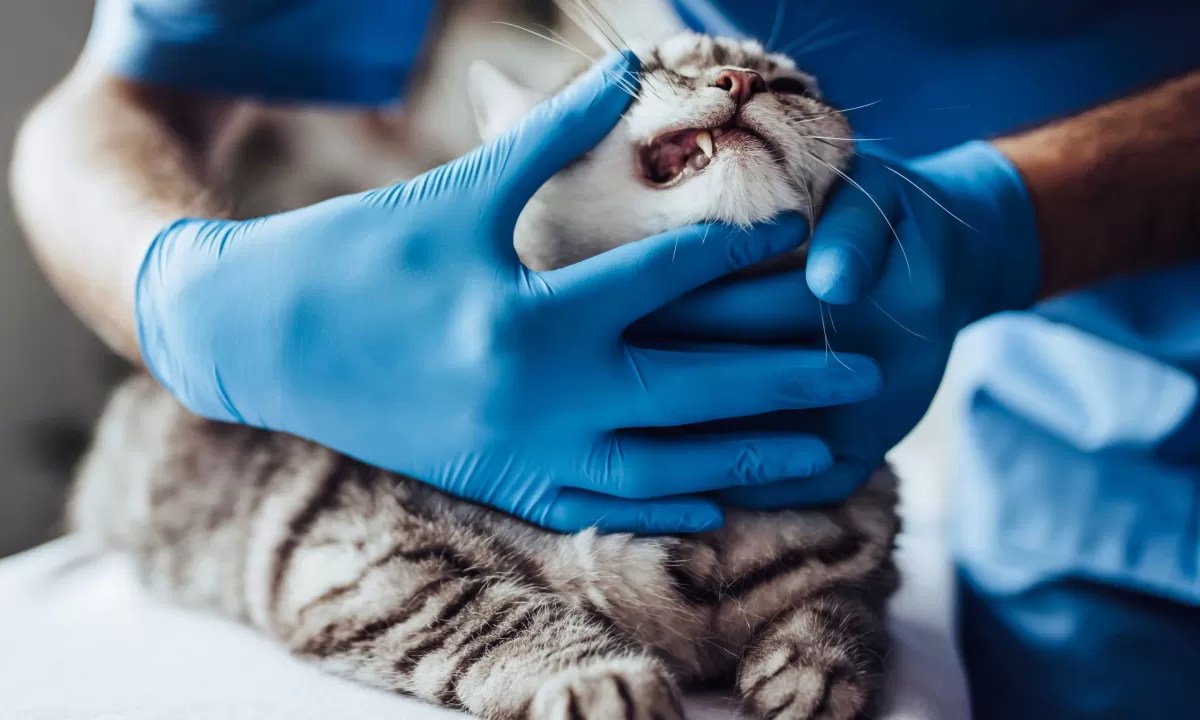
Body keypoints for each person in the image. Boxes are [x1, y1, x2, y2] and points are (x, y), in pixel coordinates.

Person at [8, 0, 1199, 717]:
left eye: (775, 84)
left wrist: (1027, 217)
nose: (739, 80)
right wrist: (184, 292)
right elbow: (114, 106)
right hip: (1088, 481)